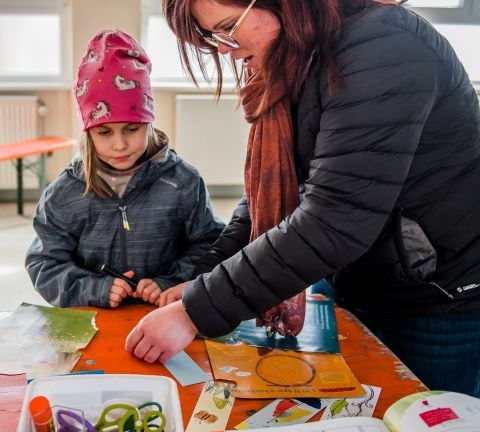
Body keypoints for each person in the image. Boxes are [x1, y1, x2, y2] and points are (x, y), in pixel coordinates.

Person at [125, 0, 480, 396]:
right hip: (361, 277)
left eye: (227, 28)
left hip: (436, 298)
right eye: (211, 37)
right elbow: (274, 196)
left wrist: (195, 311)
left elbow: (334, 219)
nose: (222, 48)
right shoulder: (302, 56)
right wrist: (203, 276)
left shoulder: (383, 46)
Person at [25, 28, 224, 309]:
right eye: (104, 132)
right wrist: (94, 288)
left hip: (165, 313)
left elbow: (208, 245)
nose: (119, 145)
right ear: (88, 133)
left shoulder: (184, 181)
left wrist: (170, 281)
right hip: (92, 317)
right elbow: (45, 264)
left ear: (149, 122)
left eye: (132, 129)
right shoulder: (64, 194)